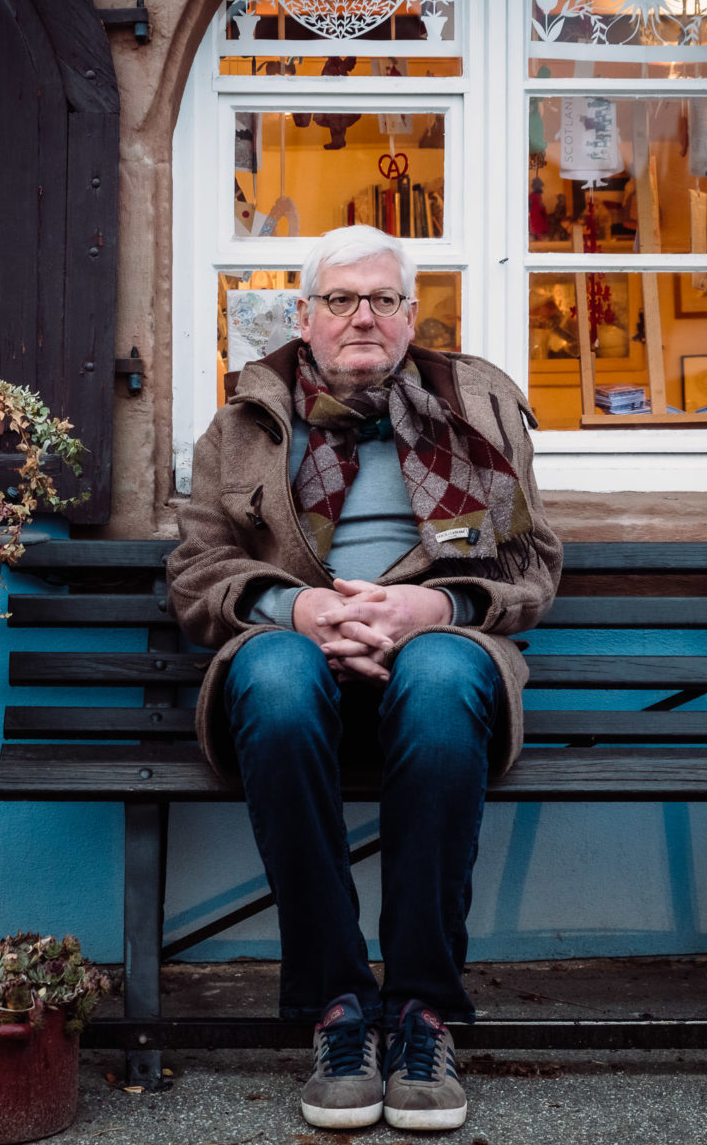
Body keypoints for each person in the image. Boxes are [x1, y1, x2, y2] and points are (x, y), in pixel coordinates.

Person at [167, 226, 562, 1132]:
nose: (362, 318)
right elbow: (195, 572)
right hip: (298, 656)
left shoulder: (478, 407)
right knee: (270, 676)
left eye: (382, 300)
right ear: (304, 317)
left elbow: (533, 561)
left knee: (434, 676)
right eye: (340, 300)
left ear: (410, 315)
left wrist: (439, 610)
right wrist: (297, 612)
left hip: (439, 650)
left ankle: (421, 1011)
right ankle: (337, 1007)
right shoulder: (245, 423)